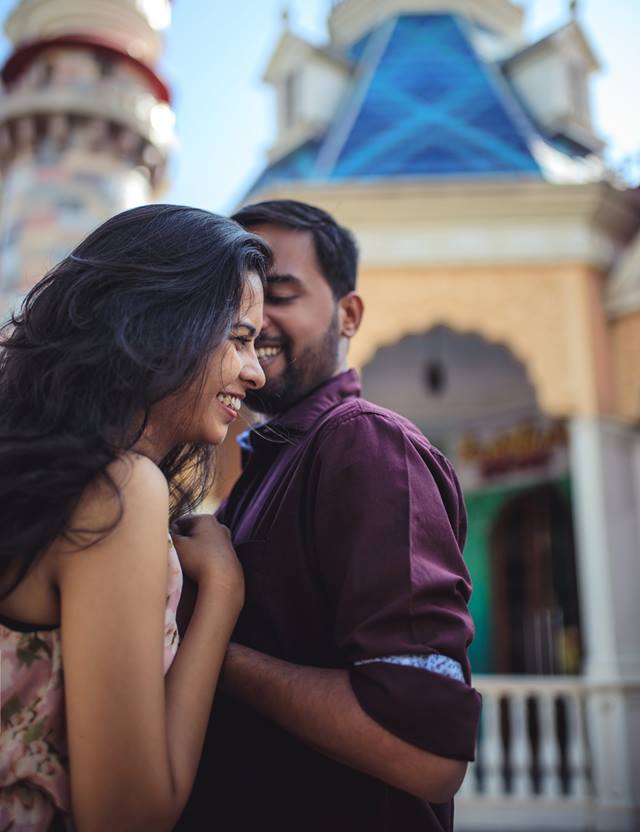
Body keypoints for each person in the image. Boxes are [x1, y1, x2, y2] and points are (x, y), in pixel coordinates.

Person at [177, 200, 482, 832]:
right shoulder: (268, 464)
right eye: (237, 303)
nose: (255, 321)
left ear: (349, 314)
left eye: (279, 294)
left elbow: (426, 751)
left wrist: (208, 651)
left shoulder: (365, 446)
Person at [0, 204, 270, 832]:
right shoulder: (117, 489)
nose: (256, 372)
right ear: (162, 323)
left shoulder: (45, 474)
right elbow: (127, 816)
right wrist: (224, 593)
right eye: (240, 338)